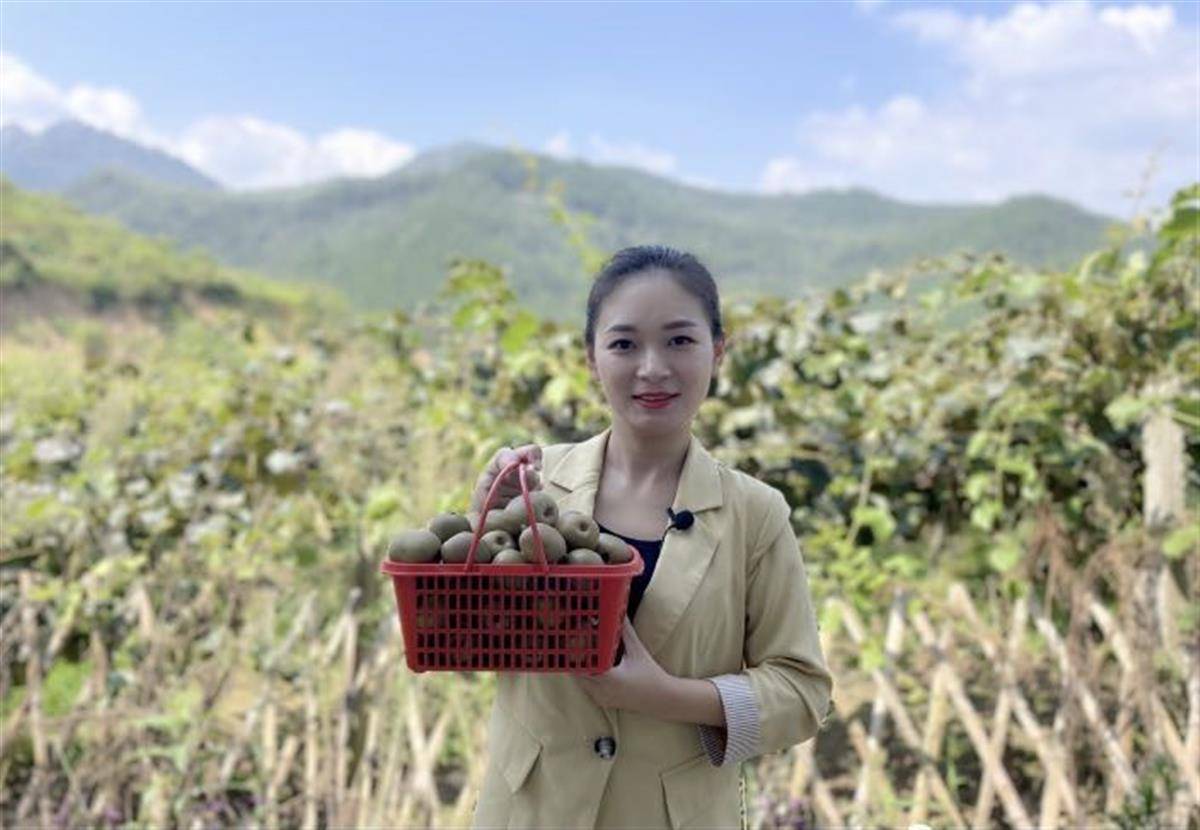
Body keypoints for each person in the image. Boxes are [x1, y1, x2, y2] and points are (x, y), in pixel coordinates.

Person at [469, 245, 832, 829]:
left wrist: (663, 695)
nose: (653, 367)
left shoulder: (756, 515)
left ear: (718, 350)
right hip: (531, 813)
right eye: (624, 344)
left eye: (680, 341)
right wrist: (482, 530)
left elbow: (802, 693)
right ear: (591, 358)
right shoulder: (532, 488)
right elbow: (469, 651)